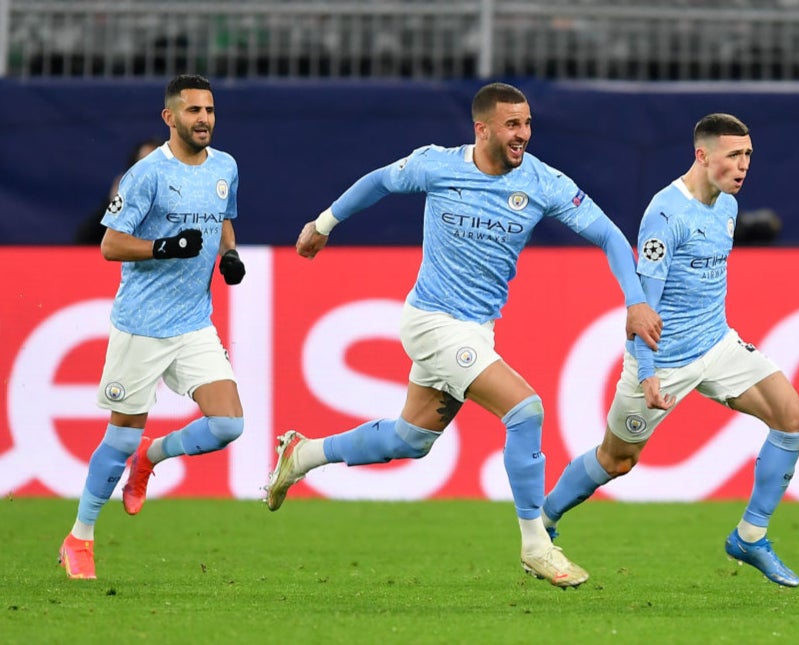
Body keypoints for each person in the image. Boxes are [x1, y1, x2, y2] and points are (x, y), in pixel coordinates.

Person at [265, 82, 662, 590]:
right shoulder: (439, 164)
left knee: (411, 440)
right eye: (512, 125)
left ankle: (303, 454)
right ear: (483, 128)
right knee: (526, 409)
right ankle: (537, 545)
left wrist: (634, 300)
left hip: (475, 329)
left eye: (527, 124)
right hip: (431, 321)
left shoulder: (541, 181)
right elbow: (380, 182)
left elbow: (608, 234)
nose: (523, 135)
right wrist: (324, 223)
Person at [541, 113, 799, 587]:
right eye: (734, 155)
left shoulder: (726, 205)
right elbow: (643, 307)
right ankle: (543, 521)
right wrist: (647, 372)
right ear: (702, 156)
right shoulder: (665, 215)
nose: (744, 165)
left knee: (793, 419)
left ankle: (750, 536)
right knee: (616, 460)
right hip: (663, 359)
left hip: (718, 343)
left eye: (748, 155)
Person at [59, 74, 248, 579]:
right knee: (118, 438)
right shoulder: (146, 175)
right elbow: (110, 244)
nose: (203, 119)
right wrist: (163, 247)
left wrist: (229, 254)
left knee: (229, 424)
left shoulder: (225, 166)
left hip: (193, 322)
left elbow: (223, 220)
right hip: (141, 325)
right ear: (170, 118)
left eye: (209, 110)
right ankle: (79, 538)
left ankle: (152, 457)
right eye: (193, 111)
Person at [74, 137, 163, 244]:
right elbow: (84, 241)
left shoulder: (178, 202)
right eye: (143, 165)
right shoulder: (125, 201)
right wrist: (114, 203)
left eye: (156, 164)